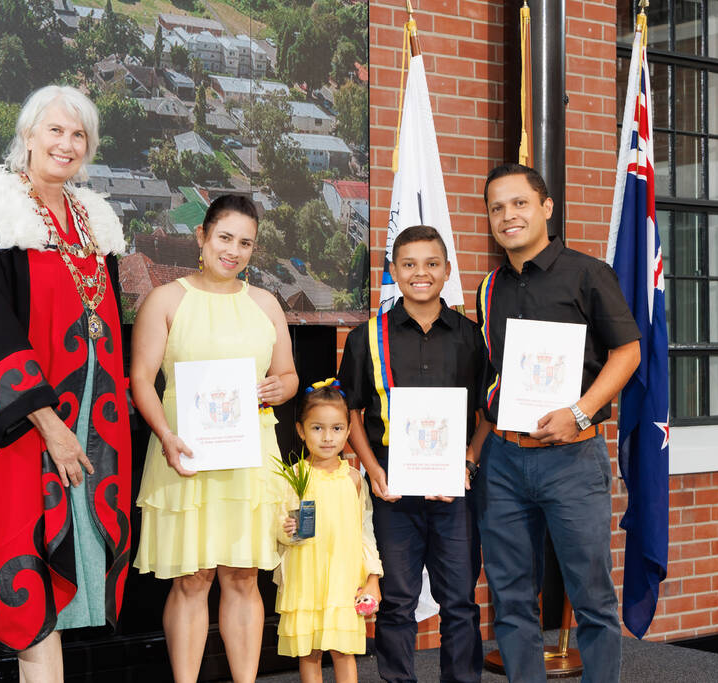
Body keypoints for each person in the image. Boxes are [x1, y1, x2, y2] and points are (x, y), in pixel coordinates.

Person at [0, 85, 131, 682]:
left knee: (65, 595)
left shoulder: (95, 220)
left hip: (93, 426)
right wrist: (49, 426)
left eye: (78, 135)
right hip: (24, 428)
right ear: (28, 135)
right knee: (33, 591)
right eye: (55, 130)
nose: (66, 144)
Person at [472, 163, 641, 682]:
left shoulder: (589, 274)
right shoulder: (488, 288)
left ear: (546, 207)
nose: (508, 215)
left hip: (572, 459)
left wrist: (579, 412)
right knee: (510, 598)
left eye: (519, 203)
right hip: (504, 461)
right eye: (497, 208)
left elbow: (628, 353)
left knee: (592, 596)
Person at [131, 194, 298, 682]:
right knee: (192, 578)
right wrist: (165, 435)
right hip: (184, 454)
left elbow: (288, 375)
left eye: (245, 243)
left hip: (250, 460)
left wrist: (280, 387)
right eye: (225, 237)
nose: (234, 251)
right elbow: (141, 379)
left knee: (244, 577)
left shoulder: (265, 303)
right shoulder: (166, 300)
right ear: (201, 236)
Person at [338, 225, 488, 683]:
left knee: (459, 600)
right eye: (409, 264)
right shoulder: (368, 337)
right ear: (394, 271)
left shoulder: (471, 336)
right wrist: (372, 469)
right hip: (393, 490)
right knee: (398, 601)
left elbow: (489, 409)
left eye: (431, 264)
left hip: (454, 489)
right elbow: (350, 411)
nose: (420, 273)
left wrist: (468, 460)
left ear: (447, 271)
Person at [274, 379, 383, 683]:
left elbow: (365, 532)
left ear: (348, 432)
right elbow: (281, 529)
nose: (327, 437)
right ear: (301, 430)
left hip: (343, 580)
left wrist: (373, 577)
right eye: (317, 428)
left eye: (336, 428)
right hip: (306, 578)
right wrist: (288, 529)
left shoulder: (354, 479)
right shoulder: (294, 476)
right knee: (310, 652)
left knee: (343, 650)